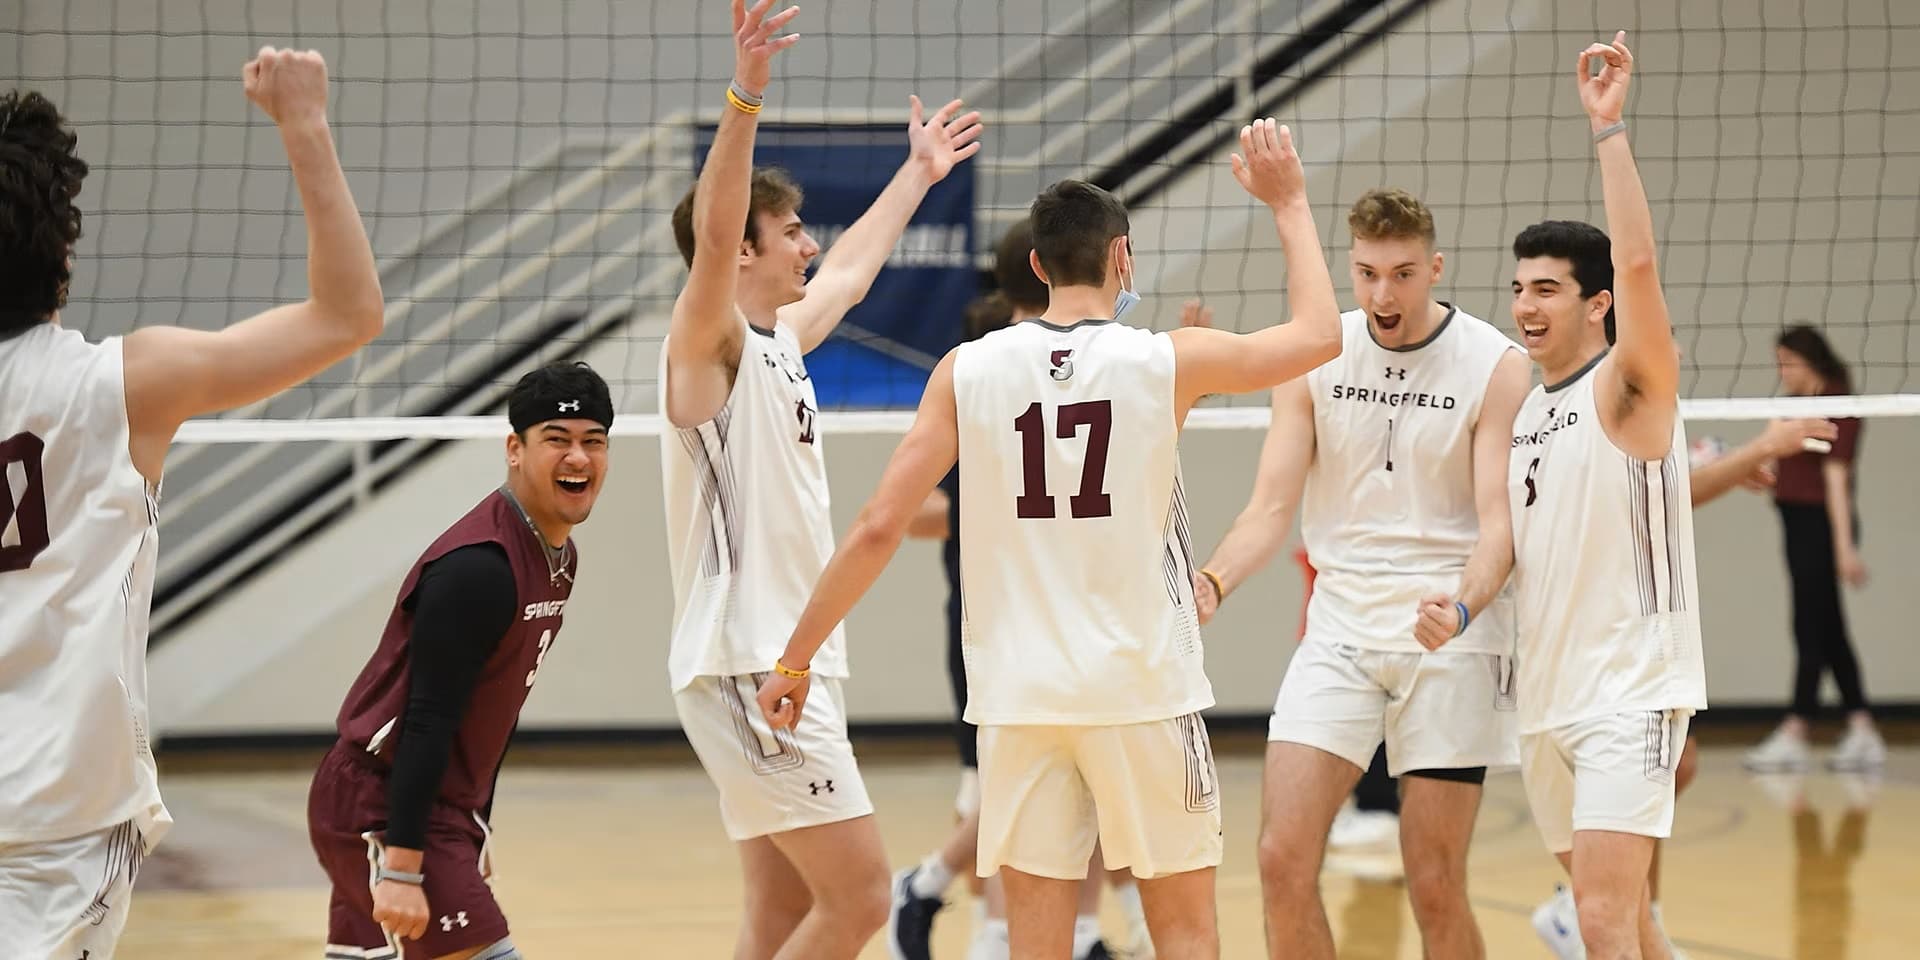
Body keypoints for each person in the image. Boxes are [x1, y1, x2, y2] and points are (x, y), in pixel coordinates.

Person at [756, 117, 1344, 960]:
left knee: (1037, 944)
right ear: (1123, 259)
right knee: (1185, 933)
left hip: (1021, 702)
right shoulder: (1164, 359)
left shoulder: (967, 369)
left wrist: (795, 659)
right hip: (1143, 690)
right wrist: (1288, 203)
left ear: (1034, 266)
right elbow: (1321, 336)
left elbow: (880, 524)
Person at [0, 49, 385, 957]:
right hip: (62, 815)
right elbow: (347, 316)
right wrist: (304, 125)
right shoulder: (124, 383)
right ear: (61, 247)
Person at [656, 2, 984, 956]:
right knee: (860, 902)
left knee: (782, 910)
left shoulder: (780, 338)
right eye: (789, 230)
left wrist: (918, 175)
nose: (807, 243)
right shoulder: (703, 348)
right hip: (751, 659)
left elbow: (846, 272)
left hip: (781, 660)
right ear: (744, 251)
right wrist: (747, 88)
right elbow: (715, 241)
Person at [1193, 186, 1529, 959]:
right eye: (1369, 273)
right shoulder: (1313, 353)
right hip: (1340, 629)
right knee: (1281, 859)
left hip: (1449, 638)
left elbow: (1499, 525)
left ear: (1435, 268)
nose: (1384, 293)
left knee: (1435, 880)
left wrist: (1466, 607)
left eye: (1403, 273)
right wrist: (1212, 581)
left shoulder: (1495, 366)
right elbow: (1269, 508)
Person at [890, 221, 1152, 960]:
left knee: (1081, 783)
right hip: (999, 624)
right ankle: (957, 903)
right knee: (1006, 796)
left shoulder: (1109, 354)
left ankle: (1080, 933)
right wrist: (1007, 511)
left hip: (1082, 622)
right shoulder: (982, 371)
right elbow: (908, 515)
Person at [1503, 31, 1708, 959]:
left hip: (1631, 691)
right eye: (1518, 289)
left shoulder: (1631, 387)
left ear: (1594, 305)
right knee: (1619, 923)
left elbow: (1639, 268)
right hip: (1544, 698)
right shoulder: (1522, 406)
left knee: (1599, 922)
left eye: (1547, 288)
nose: (1526, 305)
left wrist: (1609, 130)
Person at [307, 361, 612, 960]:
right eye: (556, 439)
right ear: (514, 450)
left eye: (593, 442)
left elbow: (493, 713)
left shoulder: (558, 557)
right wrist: (403, 863)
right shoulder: (480, 568)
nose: (578, 458)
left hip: (434, 806)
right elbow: (429, 717)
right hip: (382, 802)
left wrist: (475, 825)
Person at [1529, 414, 1840, 958]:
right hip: (1573, 642)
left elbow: (1660, 486)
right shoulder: (1591, 399)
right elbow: (1660, 497)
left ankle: (1631, 919)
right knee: (1666, 768)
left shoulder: (1635, 399)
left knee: (1671, 767)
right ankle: (1594, 911)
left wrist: (1718, 462)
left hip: (1612, 644)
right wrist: (1758, 450)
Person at [1743, 325, 1885, 772]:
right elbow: (1769, 466)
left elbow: (1836, 481)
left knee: (1810, 626)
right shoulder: (1788, 410)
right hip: (1794, 524)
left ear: (1811, 361)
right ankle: (1862, 729)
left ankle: (1797, 728)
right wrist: (1756, 470)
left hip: (1822, 527)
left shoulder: (1839, 404)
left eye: (1788, 362)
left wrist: (1844, 549)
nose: (1782, 371)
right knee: (1828, 628)